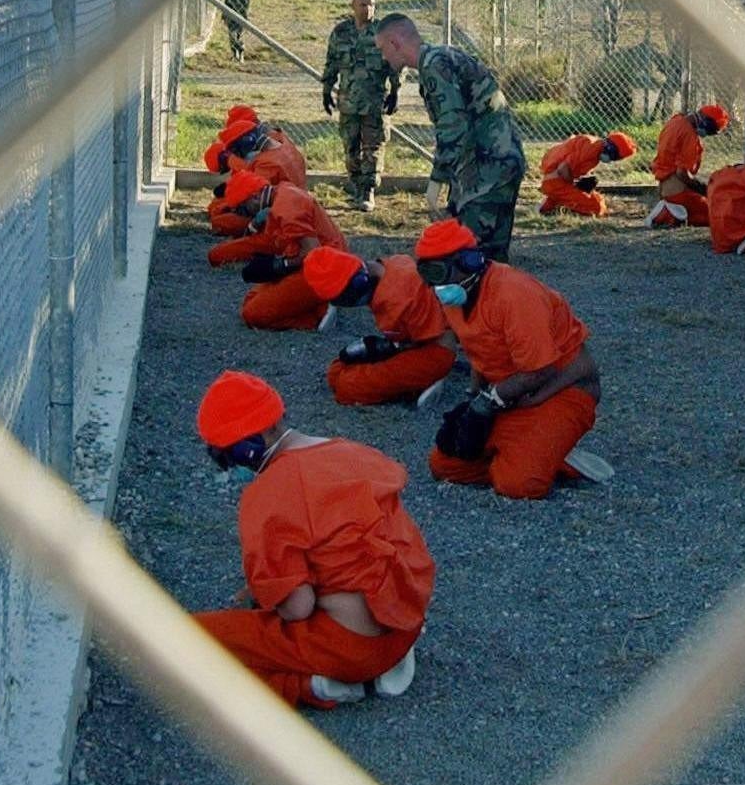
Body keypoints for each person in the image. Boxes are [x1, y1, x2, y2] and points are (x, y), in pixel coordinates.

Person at [191, 370, 434, 709]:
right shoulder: (353, 452)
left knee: (190, 641)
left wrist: (267, 594)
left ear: (248, 445)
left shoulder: (268, 493)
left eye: (222, 456)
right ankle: (376, 666)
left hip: (351, 647)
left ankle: (315, 686)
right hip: (404, 627)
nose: (226, 468)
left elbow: (297, 608)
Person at [413, 219, 609, 499]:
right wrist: (474, 398)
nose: (435, 284)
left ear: (469, 262)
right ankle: (533, 451)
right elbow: (479, 351)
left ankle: (550, 456)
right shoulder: (456, 298)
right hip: (513, 393)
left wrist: (489, 401)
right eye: (426, 273)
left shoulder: (513, 293)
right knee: (445, 466)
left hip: (560, 390)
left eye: (439, 271)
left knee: (519, 485)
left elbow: (542, 369)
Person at [373, 14, 526, 262]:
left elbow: (452, 127)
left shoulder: (434, 66)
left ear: (395, 43)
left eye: (382, 49)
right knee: (491, 260)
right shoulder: (440, 57)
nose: (383, 57)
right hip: (498, 162)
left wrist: (436, 181)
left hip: (488, 169)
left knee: (472, 259)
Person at [303, 245, 457, 408]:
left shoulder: (398, 299)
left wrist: (391, 353)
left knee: (347, 386)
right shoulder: (388, 267)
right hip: (411, 342)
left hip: (435, 350)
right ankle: (411, 382)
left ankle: (424, 381)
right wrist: (383, 348)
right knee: (336, 371)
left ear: (357, 284)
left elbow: (433, 339)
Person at [207, 169, 350, 329]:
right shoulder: (282, 193)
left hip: (324, 269)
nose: (245, 215)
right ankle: (320, 302)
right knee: (251, 299)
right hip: (320, 263)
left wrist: (280, 265)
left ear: (254, 197)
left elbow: (311, 252)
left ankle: (317, 317)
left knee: (253, 314)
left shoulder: (286, 206)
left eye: (244, 210)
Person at [322, 0, 399, 213]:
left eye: (371, 5)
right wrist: (326, 90)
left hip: (375, 102)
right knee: (350, 146)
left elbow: (395, 64)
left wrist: (395, 90)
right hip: (348, 101)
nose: (367, 9)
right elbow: (332, 62)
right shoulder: (341, 33)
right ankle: (356, 187)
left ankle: (368, 191)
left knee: (373, 147)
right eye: (363, 4)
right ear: (353, 6)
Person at [204, 110, 308, 236]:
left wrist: (231, 161)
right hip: (291, 203)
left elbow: (254, 195)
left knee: (219, 218)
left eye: (237, 151)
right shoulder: (278, 141)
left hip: (284, 212)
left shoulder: (266, 162)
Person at [645, 102, 730, 229]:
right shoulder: (689, 135)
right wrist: (704, 189)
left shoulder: (675, 121)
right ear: (706, 123)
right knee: (719, 214)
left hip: (665, 188)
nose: (708, 134)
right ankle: (668, 214)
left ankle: (671, 210)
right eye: (711, 131)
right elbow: (682, 174)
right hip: (678, 192)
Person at [538, 131, 636, 218]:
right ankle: (559, 203)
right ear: (610, 149)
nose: (612, 160)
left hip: (555, 179)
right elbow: (563, 168)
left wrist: (580, 182)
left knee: (597, 199)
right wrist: (575, 185)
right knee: (596, 208)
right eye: (615, 157)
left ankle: (551, 203)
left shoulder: (594, 146)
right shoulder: (591, 149)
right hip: (555, 181)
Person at [223, 0, 251, 64]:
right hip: (231, 17)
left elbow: (247, 3)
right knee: (232, 36)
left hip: (241, 16)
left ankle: (241, 54)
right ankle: (235, 54)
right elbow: (226, 4)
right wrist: (224, 16)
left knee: (239, 36)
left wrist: (244, 13)